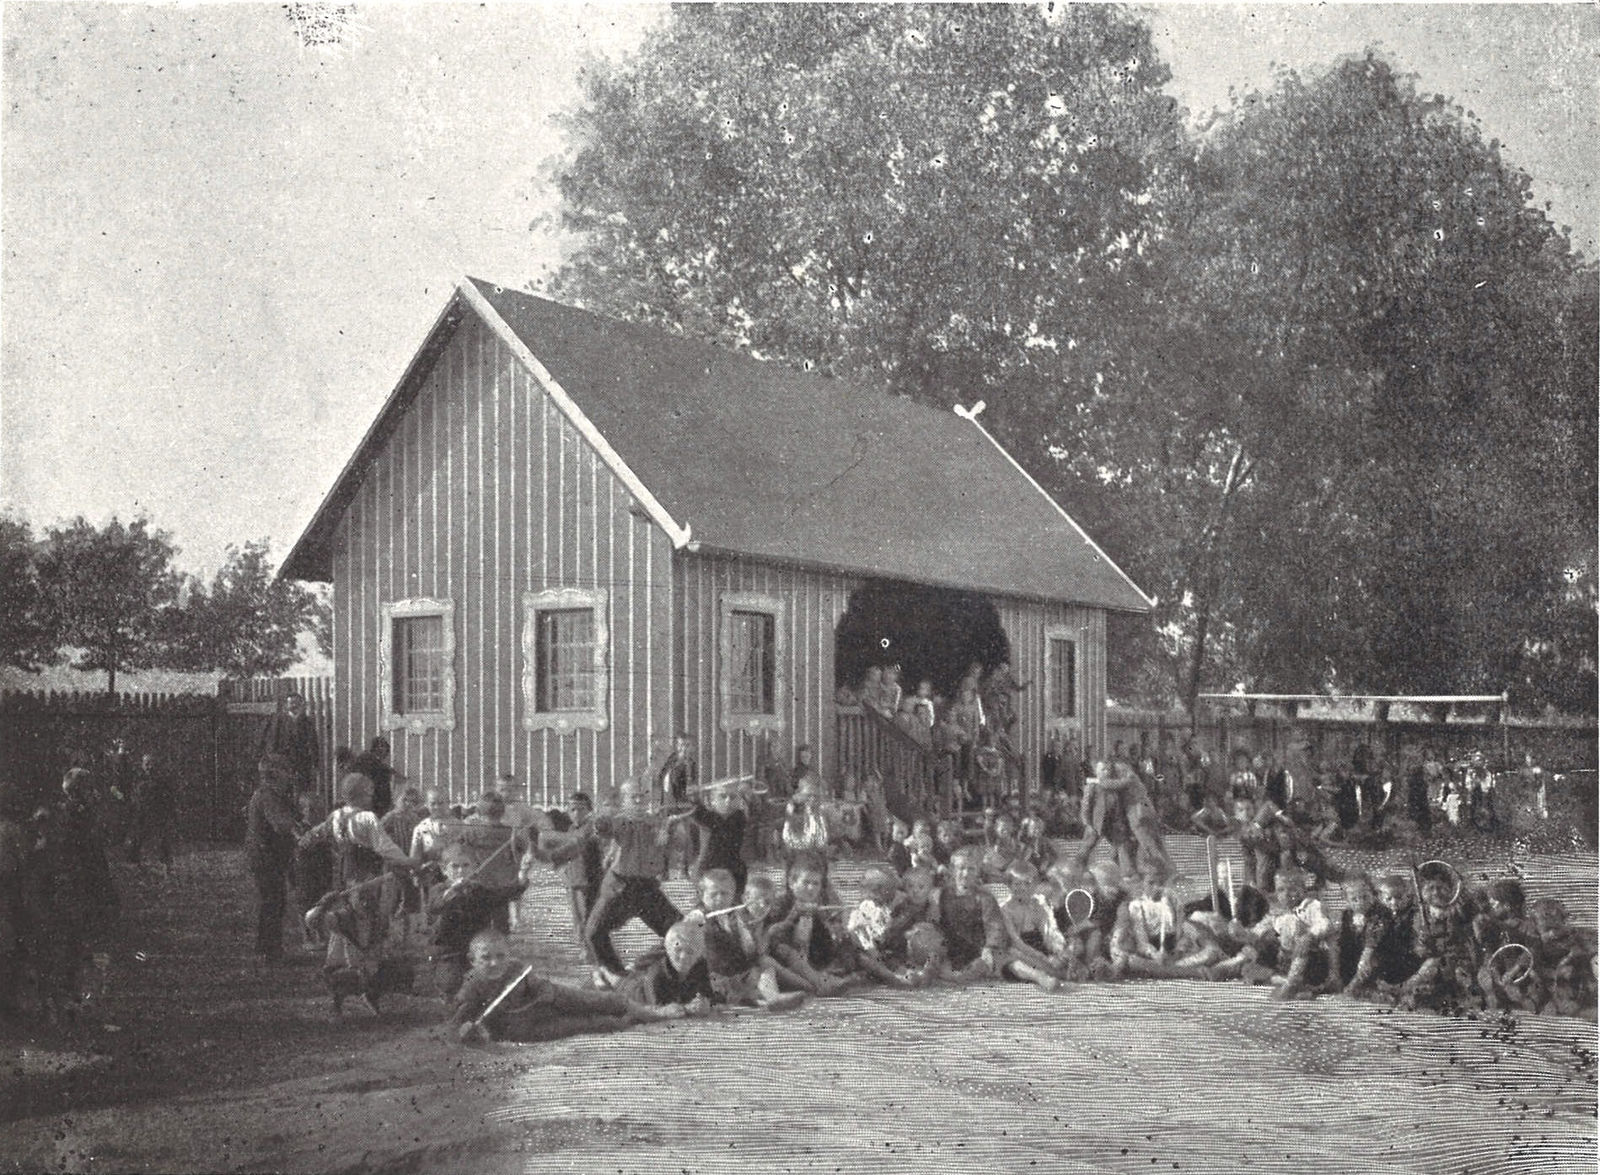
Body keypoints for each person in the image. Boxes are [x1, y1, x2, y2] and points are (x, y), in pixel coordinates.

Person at [298, 772, 422, 1013]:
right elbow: (385, 847)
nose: (372, 797)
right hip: (368, 881)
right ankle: (365, 979)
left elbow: (316, 834)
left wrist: (306, 839)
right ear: (363, 795)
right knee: (369, 927)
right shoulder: (366, 818)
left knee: (347, 925)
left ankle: (348, 977)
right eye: (369, 793)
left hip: (344, 879)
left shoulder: (336, 816)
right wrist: (408, 862)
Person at [452, 928, 682, 1044]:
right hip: (527, 1029)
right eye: (486, 958)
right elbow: (459, 1024)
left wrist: (543, 991)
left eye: (501, 956)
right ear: (472, 961)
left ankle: (655, 1014)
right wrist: (471, 1030)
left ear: (508, 954)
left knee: (608, 1001)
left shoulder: (516, 969)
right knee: (596, 1024)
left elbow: (542, 987)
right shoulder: (471, 987)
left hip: (550, 1000)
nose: (495, 963)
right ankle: (631, 1018)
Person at [585, 780, 684, 986]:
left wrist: (670, 829)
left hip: (647, 888)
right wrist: (602, 818)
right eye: (634, 797)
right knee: (593, 933)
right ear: (624, 801)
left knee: (682, 932)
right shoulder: (619, 821)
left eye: (643, 796)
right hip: (620, 887)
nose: (639, 801)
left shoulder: (657, 821)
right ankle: (616, 975)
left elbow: (677, 846)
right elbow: (603, 829)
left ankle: (653, 970)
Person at [765, 852, 857, 996]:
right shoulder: (781, 903)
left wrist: (833, 927)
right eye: (806, 883)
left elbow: (824, 937)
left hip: (809, 958)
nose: (811, 888)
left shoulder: (817, 906)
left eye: (815, 884)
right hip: (784, 959)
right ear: (792, 883)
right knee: (789, 950)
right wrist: (793, 916)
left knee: (846, 938)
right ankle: (821, 983)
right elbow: (772, 936)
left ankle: (832, 976)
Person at [426, 844, 507, 1000]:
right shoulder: (438, 890)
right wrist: (451, 892)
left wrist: (522, 879)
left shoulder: (479, 890)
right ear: (444, 870)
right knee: (450, 984)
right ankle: (449, 997)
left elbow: (502, 895)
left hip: (475, 951)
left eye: (465, 866)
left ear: (474, 868)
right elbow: (435, 906)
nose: (460, 871)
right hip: (447, 952)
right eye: (455, 866)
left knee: (485, 985)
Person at [245, 755, 303, 962]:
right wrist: (300, 834)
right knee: (273, 901)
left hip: (266, 856)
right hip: (266, 857)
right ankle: (271, 950)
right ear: (276, 774)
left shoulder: (271, 794)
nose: (290, 776)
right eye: (286, 771)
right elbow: (280, 824)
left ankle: (265, 946)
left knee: (271, 901)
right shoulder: (268, 796)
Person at [931, 847, 1007, 983]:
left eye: (971, 869)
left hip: (977, 949)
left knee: (983, 963)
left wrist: (990, 947)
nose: (966, 874)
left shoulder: (984, 897)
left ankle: (962, 976)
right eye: (961, 868)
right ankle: (930, 974)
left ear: (978, 872)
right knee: (936, 957)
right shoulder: (943, 895)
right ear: (952, 870)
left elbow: (995, 926)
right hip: (951, 947)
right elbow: (937, 922)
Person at [616, 920, 716, 1014]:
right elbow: (659, 1012)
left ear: (699, 954)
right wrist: (688, 1008)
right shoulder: (656, 975)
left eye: (690, 952)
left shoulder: (700, 966)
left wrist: (706, 1003)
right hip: (627, 993)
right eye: (678, 950)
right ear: (668, 950)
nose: (683, 956)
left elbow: (708, 996)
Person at [690, 778, 751, 895]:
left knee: (735, 900)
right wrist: (694, 796)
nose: (728, 801)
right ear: (712, 800)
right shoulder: (706, 817)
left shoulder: (739, 817)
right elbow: (692, 807)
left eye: (733, 797)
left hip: (734, 869)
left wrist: (747, 796)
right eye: (722, 796)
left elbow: (757, 812)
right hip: (708, 868)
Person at [258, 692, 321, 794]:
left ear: (302, 705)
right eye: (291, 703)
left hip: (302, 765)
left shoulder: (307, 722)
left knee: (301, 791)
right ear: (287, 705)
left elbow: (313, 744)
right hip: (283, 765)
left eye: (297, 703)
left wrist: (315, 764)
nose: (294, 705)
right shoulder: (279, 721)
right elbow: (272, 742)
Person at [126, 752, 177, 873]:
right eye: (147, 764)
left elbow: (167, 795)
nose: (149, 766)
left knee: (163, 837)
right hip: (141, 811)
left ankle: (167, 863)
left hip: (157, 811)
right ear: (142, 765)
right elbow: (133, 794)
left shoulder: (161, 779)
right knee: (137, 836)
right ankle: (133, 862)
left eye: (151, 763)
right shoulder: (137, 778)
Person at [347, 737, 401, 818]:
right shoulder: (369, 761)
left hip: (374, 801)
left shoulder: (370, 760)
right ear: (376, 748)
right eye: (382, 747)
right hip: (373, 801)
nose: (385, 752)